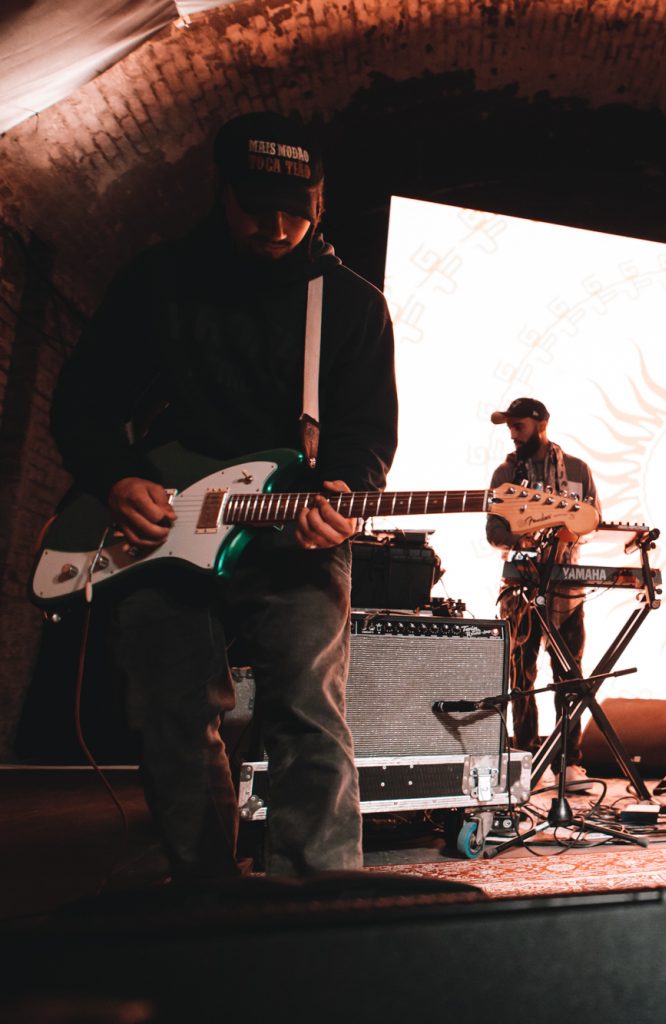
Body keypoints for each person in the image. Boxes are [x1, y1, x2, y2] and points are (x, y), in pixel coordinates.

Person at [50, 111, 399, 878]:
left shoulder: (351, 305)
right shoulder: (159, 280)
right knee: (170, 716)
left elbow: (368, 431)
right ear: (222, 192)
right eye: (256, 205)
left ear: (320, 203)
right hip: (165, 528)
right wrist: (118, 478)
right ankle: (204, 895)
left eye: (296, 210)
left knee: (306, 712)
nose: (276, 226)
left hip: (293, 527)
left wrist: (345, 489)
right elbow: (83, 404)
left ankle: (319, 903)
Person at [486, 397, 599, 790]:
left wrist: (571, 531)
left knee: (570, 673)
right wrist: (522, 538)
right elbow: (494, 532)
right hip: (520, 586)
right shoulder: (506, 473)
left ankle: (569, 761)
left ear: (541, 424)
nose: (513, 434)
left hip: (566, 585)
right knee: (521, 674)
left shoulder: (578, 470)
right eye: (509, 427)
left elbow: (592, 519)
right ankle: (525, 760)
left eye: (518, 426)